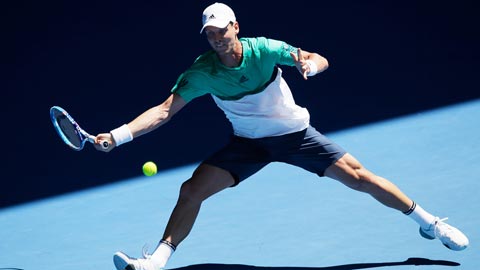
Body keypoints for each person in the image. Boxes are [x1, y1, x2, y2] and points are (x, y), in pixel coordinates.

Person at [94, 3, 469, 270]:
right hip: (248, 145)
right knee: (191, 190)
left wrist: (310, 65)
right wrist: (116, 135)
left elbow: (317, 57)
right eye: (209, 35)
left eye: (222, 31)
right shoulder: (202, 72)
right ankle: (156, 262)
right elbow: (163, 111)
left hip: (296, 135)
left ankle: (430, 223)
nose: (217, 39)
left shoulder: (266, 50)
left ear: (235, 27)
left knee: (361, 177)